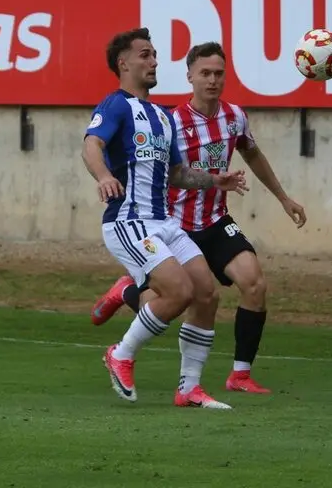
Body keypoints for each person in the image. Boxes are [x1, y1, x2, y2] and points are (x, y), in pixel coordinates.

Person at [91, 41, 306, 396]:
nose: (213, 80)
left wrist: (282, 198)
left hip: (215, 220)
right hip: (175, 220)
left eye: (219, 74)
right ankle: (128, 297)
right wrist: (104, 176)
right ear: (189, 76)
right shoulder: (169, 118)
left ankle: (237, 375)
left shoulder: (234, 116)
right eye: (205, 73)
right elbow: (155, 167)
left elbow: (252, 155)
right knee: (176, 298)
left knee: (252, 283)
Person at [83, 28, 247, 408]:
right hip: (128, 221)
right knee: (179, 292)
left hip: (164, 222)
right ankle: (121, 354)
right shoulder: (116, 106)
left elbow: (176, 173)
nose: (154, 61)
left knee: (206, 294)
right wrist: (105, 175)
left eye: (155, 54)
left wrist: (213, 180)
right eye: (145, 55)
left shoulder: (160, 116)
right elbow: (91, 145)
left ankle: (189, 388)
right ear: (124, 64)